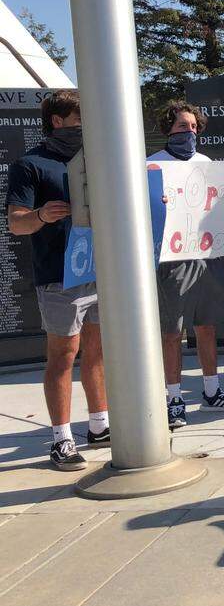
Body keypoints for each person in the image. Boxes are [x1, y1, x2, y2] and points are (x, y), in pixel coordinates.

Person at [5, 90, 108, 470]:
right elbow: (15, 223)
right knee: (63, 356)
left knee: (98, 353)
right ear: (57, 120)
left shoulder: (98, 159)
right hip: (58, 276)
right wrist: (43, 215)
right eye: (79, 118)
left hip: (102, 270)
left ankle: (99, 425)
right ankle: (61, 439)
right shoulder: (30, 164)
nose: (85, 125)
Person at [149, 100, 224, 429]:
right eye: (182, 126)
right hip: (170, 259)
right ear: (168, 129)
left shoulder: (206, 162)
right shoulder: (151, 166)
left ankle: (211, 392)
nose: (189, 132)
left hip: (206, 255)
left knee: (207, 326)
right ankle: (174, 398)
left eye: (193, 127)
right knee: (171, 332)